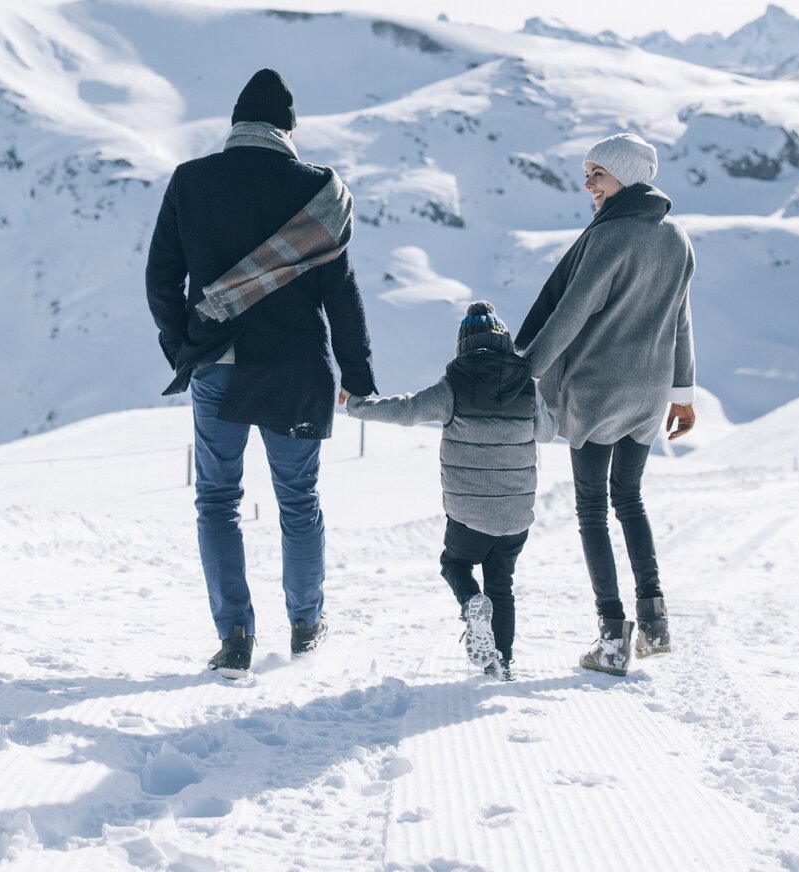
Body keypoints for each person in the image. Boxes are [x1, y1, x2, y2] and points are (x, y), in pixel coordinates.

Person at [145, 69, 376, 680]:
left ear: (235, 125)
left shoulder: (191, 181)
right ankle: (306, 626)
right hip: (295, 369)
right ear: (288, 130)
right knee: (298, 501)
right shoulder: (319, 194)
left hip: (216, 365)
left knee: (217, 501)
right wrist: (359, 375)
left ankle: (235, 637)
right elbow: (342, 294)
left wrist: (184, 346)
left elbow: (160, 278)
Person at [514, 132, 695, 678]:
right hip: (649, 392)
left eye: (598, 173)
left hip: (597, 389)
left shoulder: (610, 235)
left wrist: (524, 372)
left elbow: (570, 311)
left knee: (593, 509)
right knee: (630, 501)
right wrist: (682, 393)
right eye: (588, 172)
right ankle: (655, 621)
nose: (588, 183)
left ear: (627, 178)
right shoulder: (676, 237)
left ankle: (612, 636)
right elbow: (679, 319)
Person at [344, 301, 557, 680]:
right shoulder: (527, 385)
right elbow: (547, 433)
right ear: (505, 342)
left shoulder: (453, 385)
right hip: (515, 517)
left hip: (468, 516)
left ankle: (470, 600)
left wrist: (360, 407)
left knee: (455, 564)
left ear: (463, 345)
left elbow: (407, 410)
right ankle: (501, 663)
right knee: (502, 584)